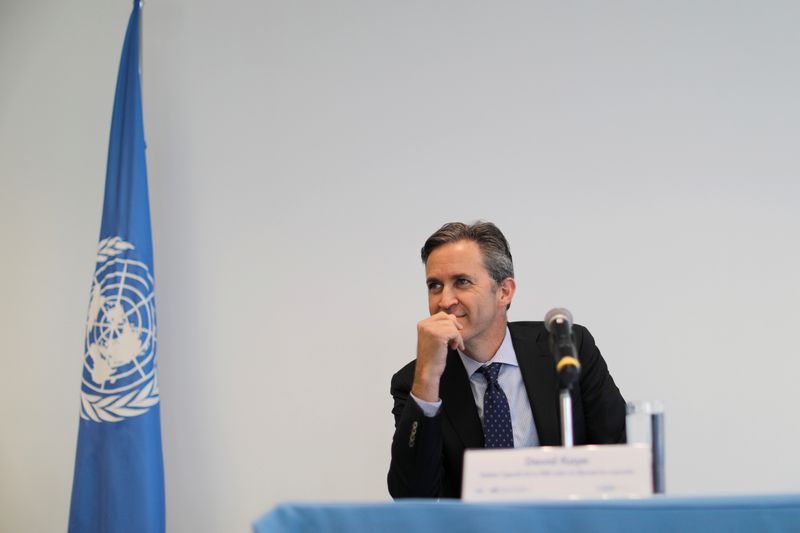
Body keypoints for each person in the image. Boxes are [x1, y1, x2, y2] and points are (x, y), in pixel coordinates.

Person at [387, 221, 626, 499]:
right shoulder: (415, 382)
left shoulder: (567, 348)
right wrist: (428, 379)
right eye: (435, 285)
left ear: (504, 291)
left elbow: (618, 454)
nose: (444, 300)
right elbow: (411, 496)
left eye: (461, 282)